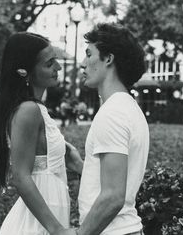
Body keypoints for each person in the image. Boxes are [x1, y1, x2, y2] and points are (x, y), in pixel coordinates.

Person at [61, 23, 150, 235]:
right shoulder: (128, 107)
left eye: (89, 54)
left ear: (108, 59)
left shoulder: (113, 113)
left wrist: (79, 234)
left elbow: (113, 196)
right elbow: (118, 181)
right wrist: (82, 166)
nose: (83, 63)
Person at [0, 32, 83, 235]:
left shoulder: (38, 109)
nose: (58, 68)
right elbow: (21, 176)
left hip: (48, 218)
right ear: (24, 71)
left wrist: (77, 163)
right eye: (49, 63)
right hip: (36, 226)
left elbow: (46, 155)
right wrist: (57, 230)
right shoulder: (28, 110)